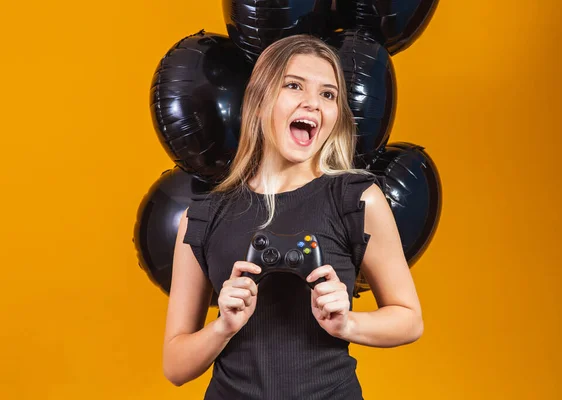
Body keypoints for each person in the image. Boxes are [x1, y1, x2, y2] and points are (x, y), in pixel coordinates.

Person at [162, 34, 423, 399]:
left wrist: (347, 323)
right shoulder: (203, 216)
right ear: (258, 101)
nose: (312, 104)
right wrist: (224, 326)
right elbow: (174, 366)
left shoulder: (357, 199)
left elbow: (409, 319)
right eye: (294, 85)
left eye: (328, 94)